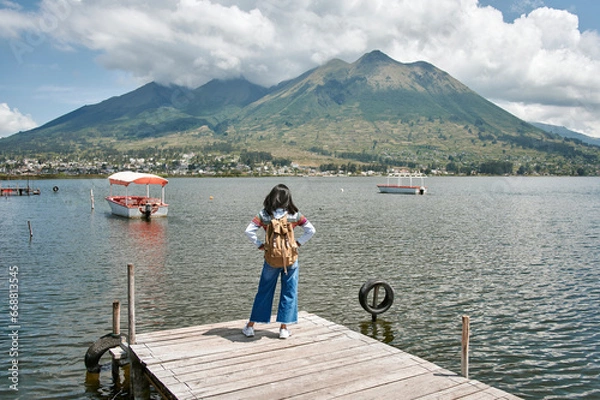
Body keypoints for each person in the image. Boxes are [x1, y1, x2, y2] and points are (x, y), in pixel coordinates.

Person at [243, 184, 316, 339]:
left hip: (271, 259)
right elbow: (311, 230)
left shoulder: (264, 214)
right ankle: (283, 328)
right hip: (290, 259)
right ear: (288, 198)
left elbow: (248, 231)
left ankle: (250, 327)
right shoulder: (294, 215)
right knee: (289, 292)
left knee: (264, 291)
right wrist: (298, 243)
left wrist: (260, 245)